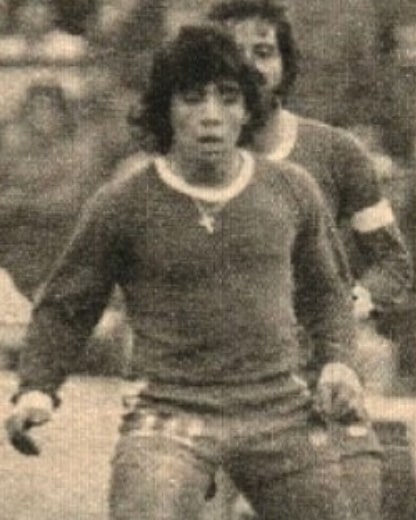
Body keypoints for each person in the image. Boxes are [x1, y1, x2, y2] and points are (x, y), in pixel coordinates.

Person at [5, 25, 372, 520]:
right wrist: (37, 388)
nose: (211, 116)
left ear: (248, 110)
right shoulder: (124, 201)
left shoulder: (291, 189)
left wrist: (338, 361)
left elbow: (327, 293)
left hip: (279, 409)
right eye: (193, 99)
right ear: (166, 110)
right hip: (169, 414)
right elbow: (67, 306)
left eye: (228, 98)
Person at [207, 1, 411, 518]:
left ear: (285, 63)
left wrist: (346, 307)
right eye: (232, 53)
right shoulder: (182, 159)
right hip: (216, 368)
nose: (249, 66)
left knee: (351, 493)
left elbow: (393, 264)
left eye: (263, 52)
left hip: (320, 359)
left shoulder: (336, 152)